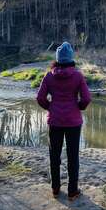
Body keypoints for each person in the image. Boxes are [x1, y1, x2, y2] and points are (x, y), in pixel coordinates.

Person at [36, 42, 91, 201]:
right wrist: (78, 107)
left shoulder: (49, 76)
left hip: (55, 121)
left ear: (57, 59)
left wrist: (50, 108)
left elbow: (40, 98)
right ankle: (72, 191)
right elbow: (86, 99)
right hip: (73, 122)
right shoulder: (78, 76)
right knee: (73, 156)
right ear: (71, 58)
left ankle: (55, 188)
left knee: (54, 155)